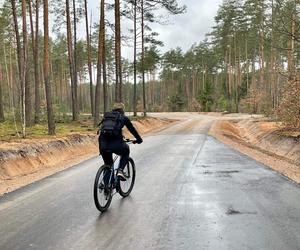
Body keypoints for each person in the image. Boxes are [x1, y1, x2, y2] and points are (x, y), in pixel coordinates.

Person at [99, 103, 143, 181]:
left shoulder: (107, 116)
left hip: (103, 144)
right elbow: (132, 129)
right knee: (126, 150)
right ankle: (120, 171)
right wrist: (139, 139)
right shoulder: (123, 117)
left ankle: (106, 188)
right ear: (122, 110)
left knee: (108, 164)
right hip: (116, 144)